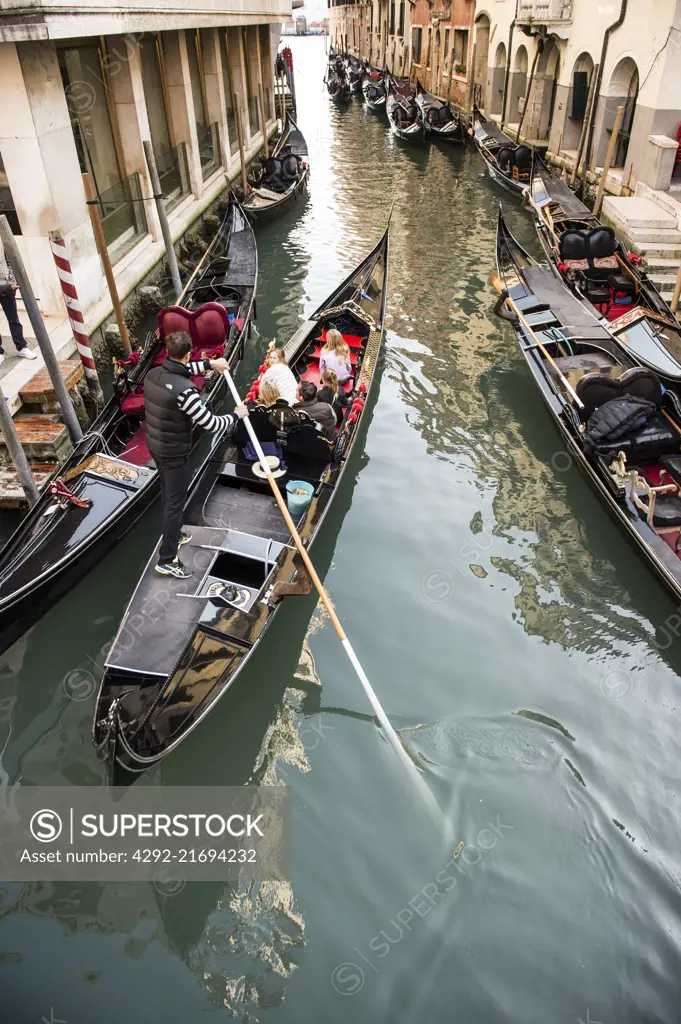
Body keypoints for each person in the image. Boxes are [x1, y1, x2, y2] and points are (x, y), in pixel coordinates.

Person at [144, 331, 248, 579]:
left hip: (155, 446)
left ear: (168, 351)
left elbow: (182, 369)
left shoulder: (154, 374)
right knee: (175, 505)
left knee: (169, 495)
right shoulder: (186, 392)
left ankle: (176, 534)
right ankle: (167, 559)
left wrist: (212, 363)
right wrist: (236, 415)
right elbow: (211, 423)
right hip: (173, 452)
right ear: (188, 353)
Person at [0, 235, 37, 366]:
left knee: (13, 319)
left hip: (7, 287)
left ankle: (21, 347)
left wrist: (11, 279)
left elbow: (8, 261)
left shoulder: (1, 239)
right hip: (4, 287)